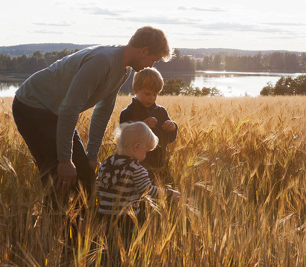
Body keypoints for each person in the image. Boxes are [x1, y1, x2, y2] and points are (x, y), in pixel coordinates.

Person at [11, 26, 171, 199]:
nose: (151, 66)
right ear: (143, 50)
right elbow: (70, 108)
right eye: (153, 60)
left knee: (85, 174)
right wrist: (64, 160)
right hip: (33, 106)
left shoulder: (124, 70)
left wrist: (92, 156)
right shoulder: (102, 61)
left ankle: (77, 223)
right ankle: (56, 223)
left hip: (56, 112)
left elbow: (103, 110)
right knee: (60, 176)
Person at [95, 121, 180, 263]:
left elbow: (98, 186)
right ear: (136, 147)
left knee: (106, 252)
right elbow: (147, 190)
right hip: (126, 221)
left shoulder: (106, 163)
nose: (146, 155)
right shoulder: (136, 169)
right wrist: (169, 194)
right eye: (146, 151)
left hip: (103, 217)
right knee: (126, 252)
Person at [119, 67, 178, 185]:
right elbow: (124, 141)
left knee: (166, 194)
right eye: (147, 94)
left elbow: (168, 139)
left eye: (155, 94)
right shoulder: (127, 113)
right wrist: (142, 126)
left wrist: (173, 127)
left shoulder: (161, 111)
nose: (152, 98)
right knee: (142, 195)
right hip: (137, 167)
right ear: (135, 89)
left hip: (161, 164)